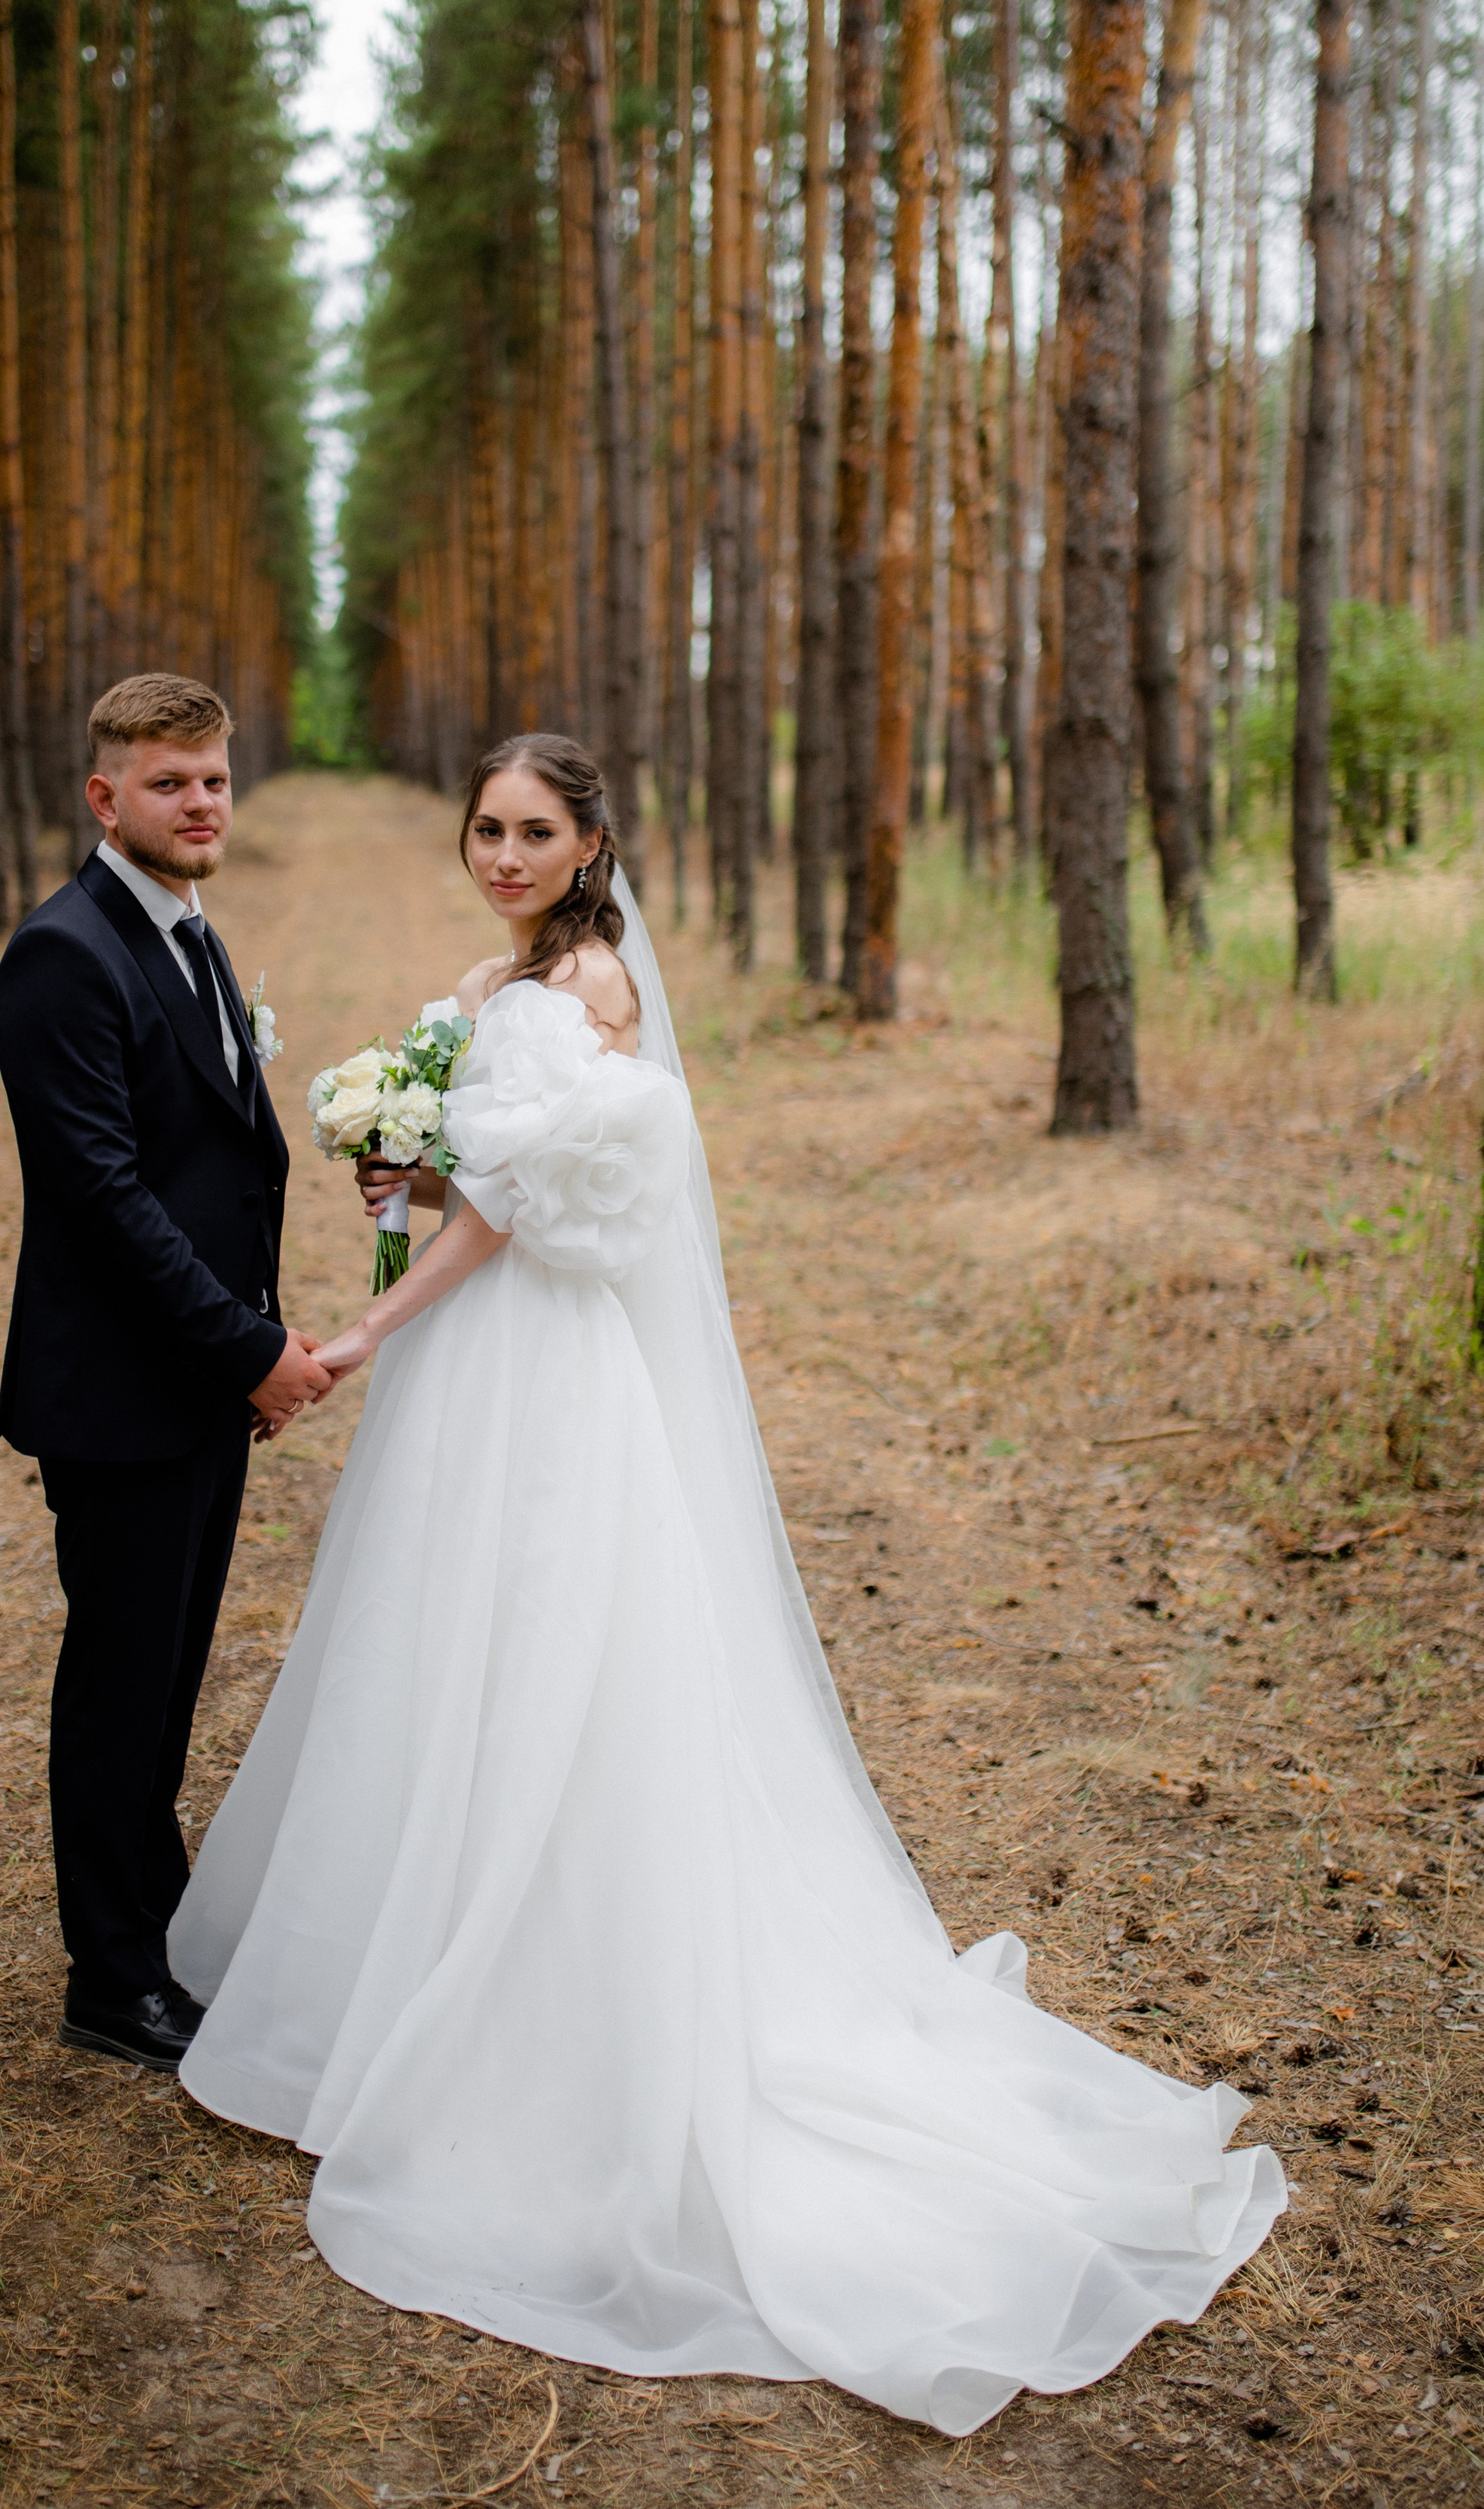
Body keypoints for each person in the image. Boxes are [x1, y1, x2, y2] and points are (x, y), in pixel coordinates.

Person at [167, 732, 1285, 2437]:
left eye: (533, 830)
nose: (501, 853)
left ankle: (541, 1997)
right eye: (484, 828)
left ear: (591, 839)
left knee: (553, 1654)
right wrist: (398, 1173)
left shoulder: (590, 988)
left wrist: (371, 1317)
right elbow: (468, 1187)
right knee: (437, 1649)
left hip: (529, 1365)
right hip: (483, 1367)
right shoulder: (491, 982)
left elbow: (526, 1217)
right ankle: (400, 1953)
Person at [0, 673, 331, 2073]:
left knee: (172, 1670)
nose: (200, 806)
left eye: (214, 781)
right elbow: (106, 1199)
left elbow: (215, 1151)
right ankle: (110, 1976)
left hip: (196, 1384)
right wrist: (252, 1347)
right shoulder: (65, 954)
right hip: (129, 1391)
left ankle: (156, 1915)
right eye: (169, 782)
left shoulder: (186, 931)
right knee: (122, 1678)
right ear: (104, 797)